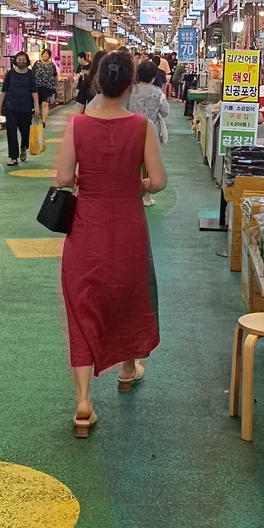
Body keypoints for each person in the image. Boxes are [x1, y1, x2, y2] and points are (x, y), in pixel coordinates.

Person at [56, 48, 166, 437]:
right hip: (129, 228)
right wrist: (135, 184)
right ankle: (126, 368)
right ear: (131, 85)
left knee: (83, 304)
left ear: (98, 82)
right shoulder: (141, 127)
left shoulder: (76, 125)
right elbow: (158, 181)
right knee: (131, 296)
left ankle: (84, 402)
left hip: (86, 228)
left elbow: (63, 178)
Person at [128, 60, 170, 206]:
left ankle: (130, 193)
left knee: (132, 164)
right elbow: (165, 112)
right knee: (148, 165)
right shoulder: (158, 93)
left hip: (130, 131)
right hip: (151, 133)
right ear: (153, 77)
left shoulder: (130, 90)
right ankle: (146, 197)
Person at [0, 50, 37, 165]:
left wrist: (37, 106)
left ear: (27, 61)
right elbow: (4, 90)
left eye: (23, 60)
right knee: (11, 132)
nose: (21, 61)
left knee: (25, 131)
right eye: (19, 59)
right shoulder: (10, 74)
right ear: (15, 61)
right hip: (10, 107)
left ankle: (23, 147)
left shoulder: (30, 74)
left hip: (26, 107)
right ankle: (13, 157)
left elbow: (34, 91)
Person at [33, 47, 59, 125]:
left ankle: (44, 121)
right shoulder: (37, 63)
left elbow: (55, 76)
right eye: (44, 54)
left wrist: (56, 86)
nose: (45, 55)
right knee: (38, 104)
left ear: (49, 56)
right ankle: (40, 117)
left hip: (48, 87)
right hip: (37, 87)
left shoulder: (52, 65)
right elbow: (32, 73)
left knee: (45, 104)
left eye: (47, 54)